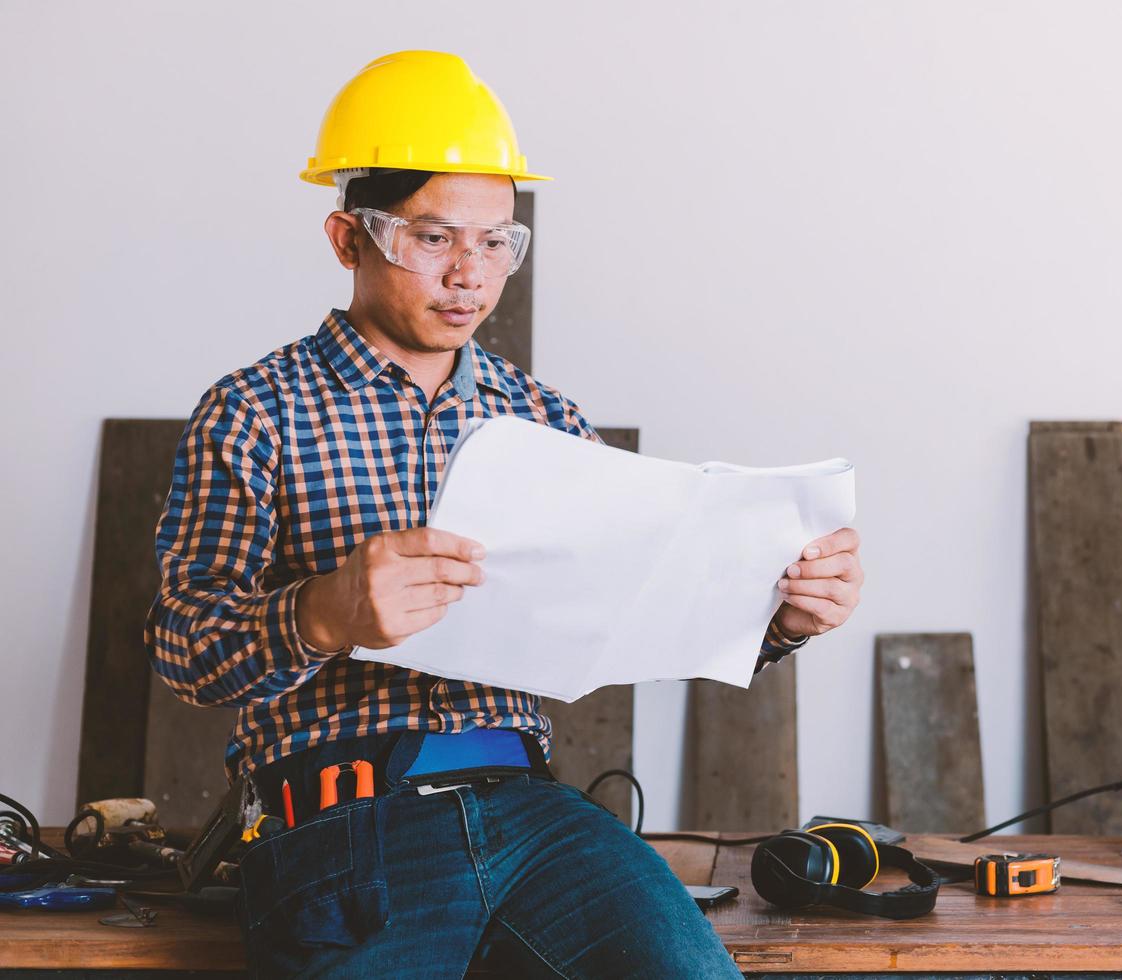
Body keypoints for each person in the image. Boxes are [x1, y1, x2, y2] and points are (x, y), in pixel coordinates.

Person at [143, 50, 864, 978]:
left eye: (496, 242)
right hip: (341, 827)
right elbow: (179, 641)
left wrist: (779, 618)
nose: (469, 277)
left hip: (538, 821)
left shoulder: (549, 421)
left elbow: (635, 606)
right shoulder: (255, 411)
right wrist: (319, 613)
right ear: (346, 238)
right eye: (435, 239)